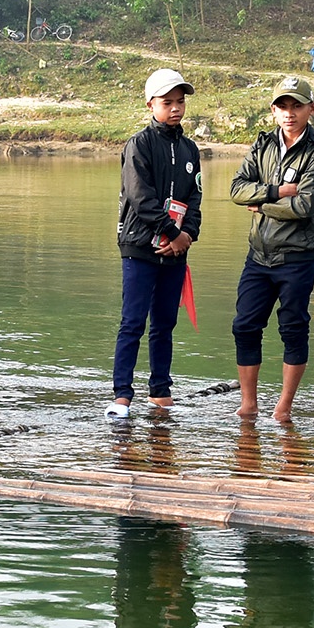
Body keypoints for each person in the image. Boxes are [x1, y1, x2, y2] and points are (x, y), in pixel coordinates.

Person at [229, 76, 314, 425]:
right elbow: (237, 190)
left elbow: (304, 207)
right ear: (273, 110)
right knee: (244, 326)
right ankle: (248, 404)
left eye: (297, 106)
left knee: (292, 328)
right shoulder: (262, 146)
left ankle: (283, 407)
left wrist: (261, 206)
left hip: (297, 258)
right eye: (282, 106)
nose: (289, 113)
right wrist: (274, 193)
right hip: (258, 255)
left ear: (311, 109)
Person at [108, 68, 203, 420]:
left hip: (176, 249)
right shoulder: (139, 145)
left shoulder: (190, 148)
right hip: (139, 246)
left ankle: (160, 390)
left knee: (165, 323)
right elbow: (140, 197)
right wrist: (170, 233)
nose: (176, 108)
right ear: (150, 104)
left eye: (180, 102)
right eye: (167, 102)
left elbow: (195, 198)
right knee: (133, 321)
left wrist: (187, 236)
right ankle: (121, 395)